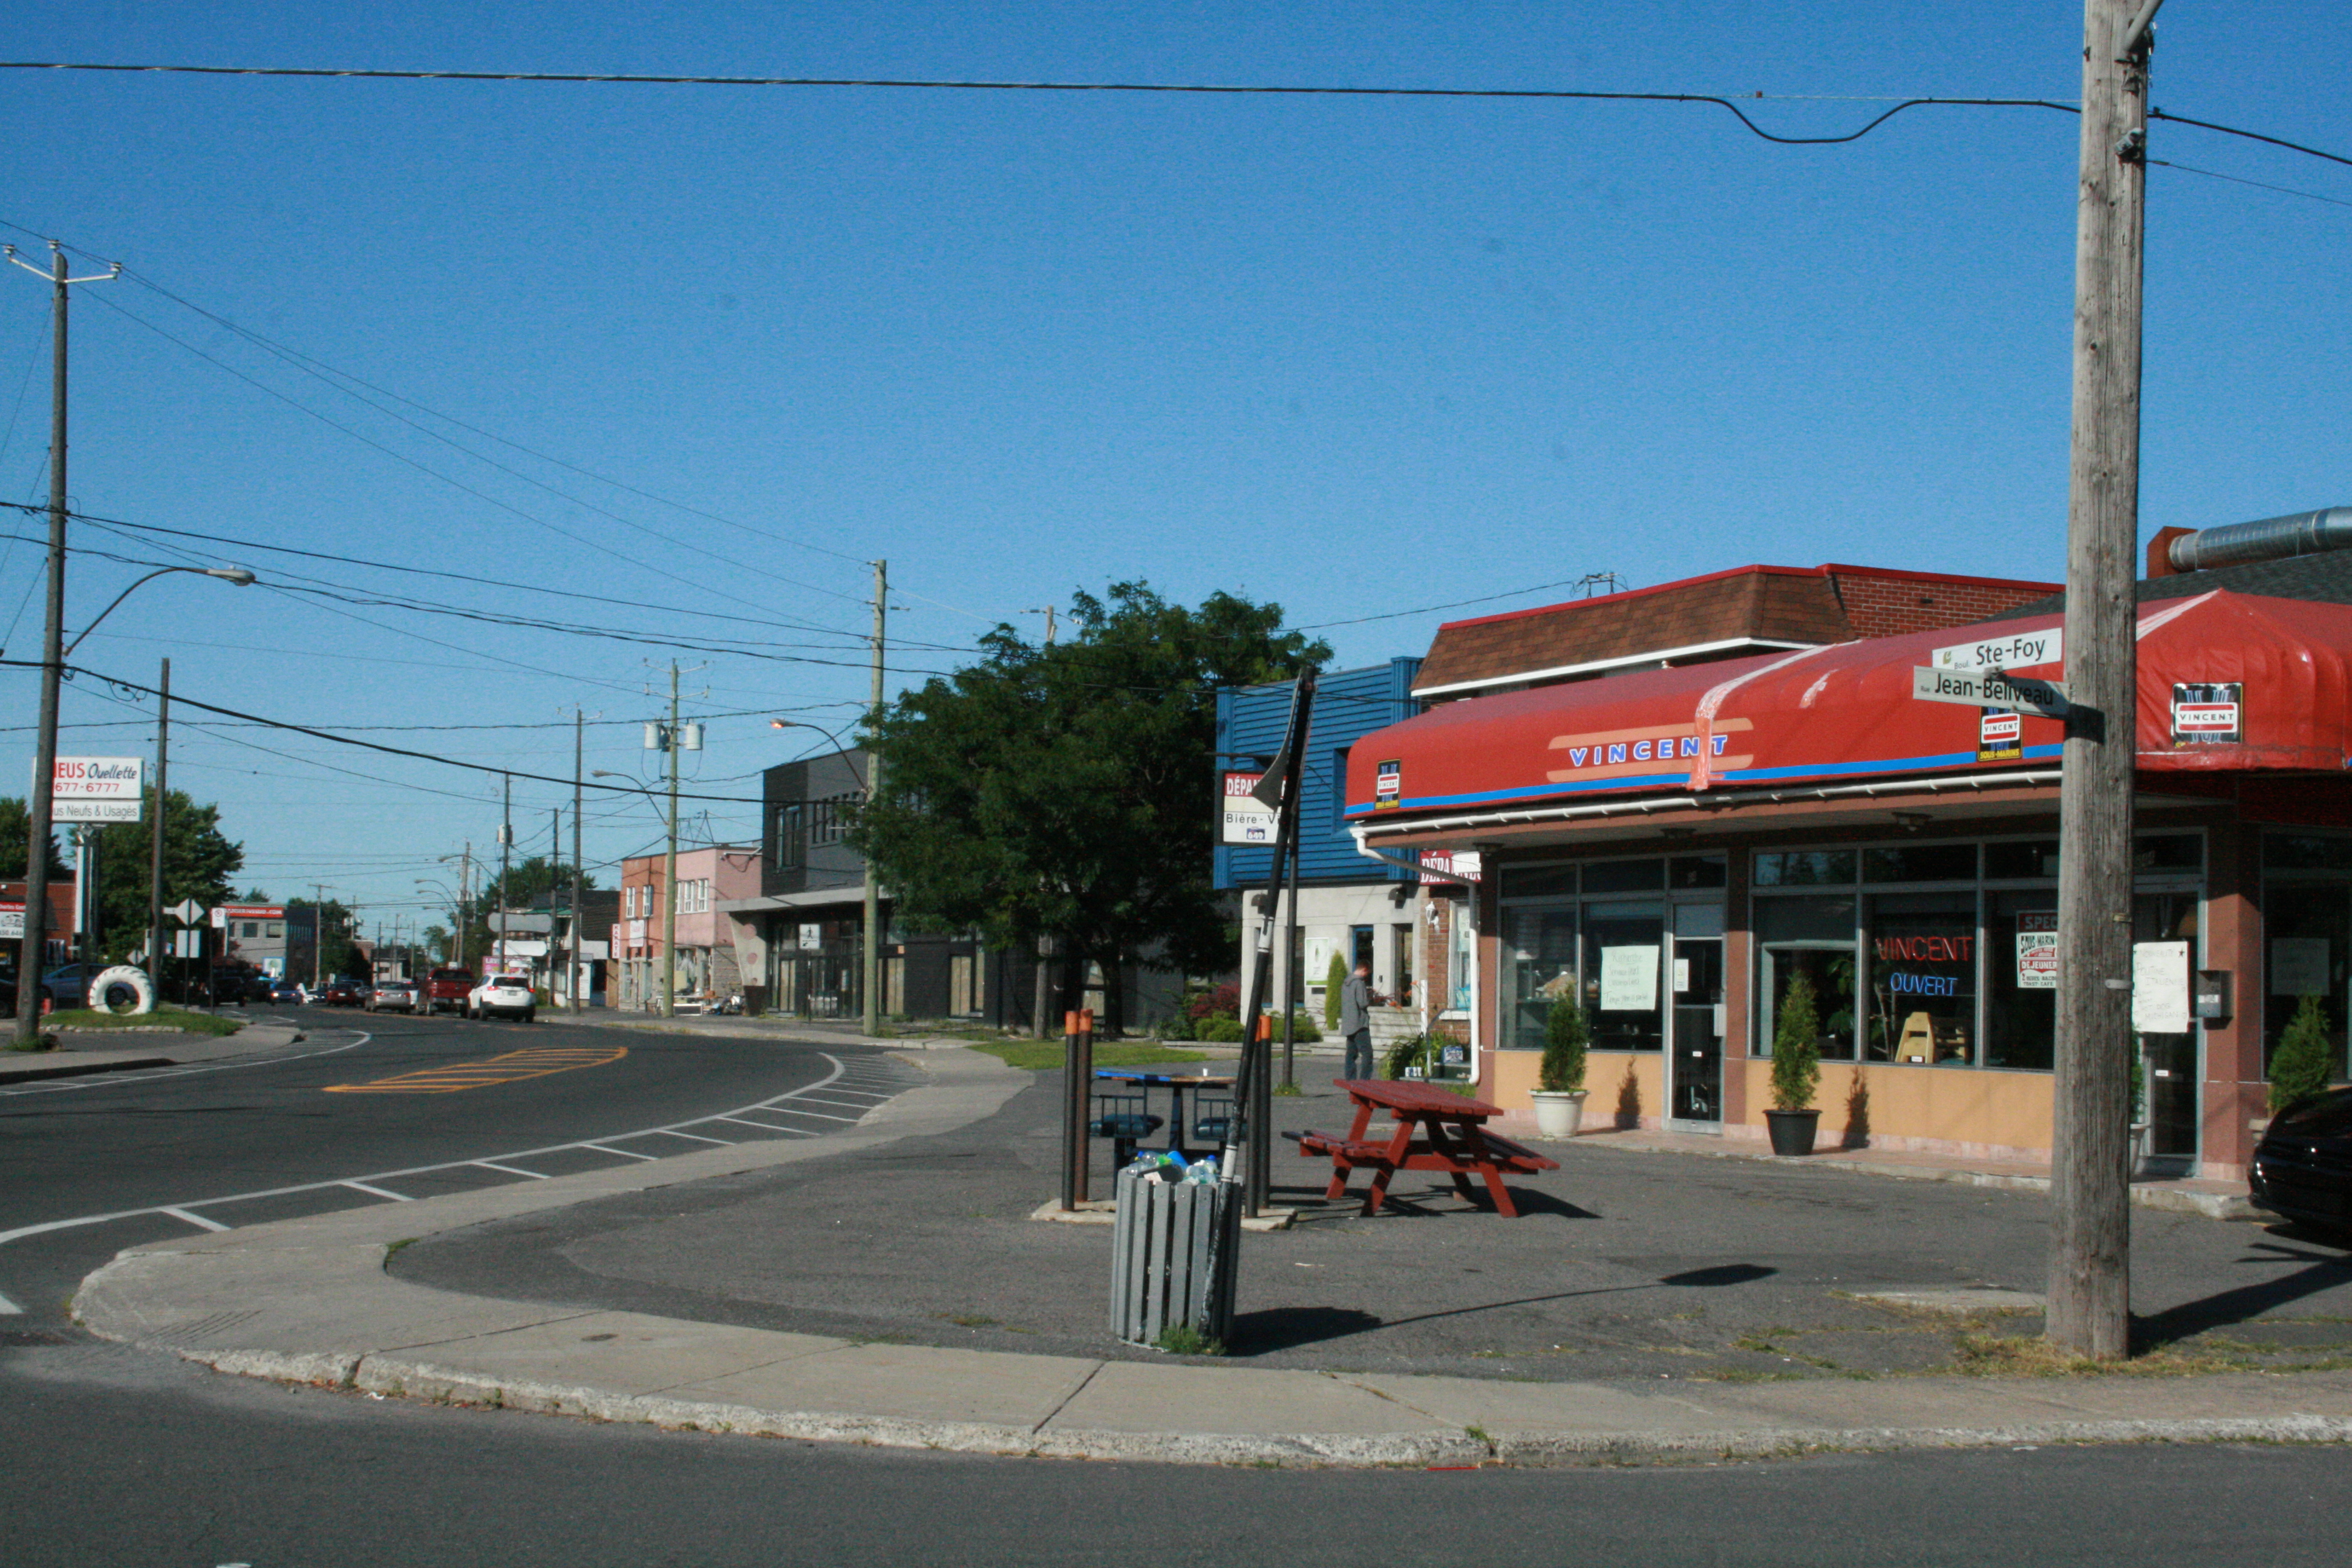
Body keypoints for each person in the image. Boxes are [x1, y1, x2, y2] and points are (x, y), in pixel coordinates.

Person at [1340, 959, 1375, 1080]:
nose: (1367, 976)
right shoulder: (1359, 983)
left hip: (1349, 1023)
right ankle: (1364, 1081)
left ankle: (1350, 1079)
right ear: (1364, 970)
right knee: (1367, 1054)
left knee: (1351, 1054)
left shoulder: (1346, 983)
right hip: (1360, 1024)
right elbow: (1362, 1003)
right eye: (1367, 973)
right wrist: (1371, 998)